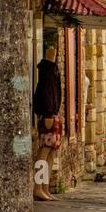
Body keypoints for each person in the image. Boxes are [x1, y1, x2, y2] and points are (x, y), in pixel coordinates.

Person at [32, 43, 62, 202]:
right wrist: (49, 112)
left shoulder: (51, 70)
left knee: (50, 153)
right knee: (44, 152)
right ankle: (38, 187)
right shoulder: (47, 71)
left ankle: (45, 187)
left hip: (53, 113)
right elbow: (47, 93)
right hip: (48, 114)